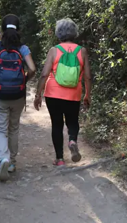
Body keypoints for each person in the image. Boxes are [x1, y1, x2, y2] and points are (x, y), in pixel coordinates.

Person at [0, 14, 36, 181]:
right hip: (18, 96)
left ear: (2, 29)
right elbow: (33, 69)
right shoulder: (23, 48)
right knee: (13, 128)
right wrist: (24, 81)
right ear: (18, 29)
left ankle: (3, 159)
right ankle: (11, 162)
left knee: (0, 129)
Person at [33, 18, 92, 166]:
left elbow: (44, 74)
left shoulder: (54, 50)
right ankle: (72, 140)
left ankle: (60, 159)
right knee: (72, 121)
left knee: (57, 125)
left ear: (58, 33)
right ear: (74, 33)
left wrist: (38, 94)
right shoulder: (82, 51)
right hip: (74, 93)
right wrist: (87, 95)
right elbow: (87, 76)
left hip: (53, 94)